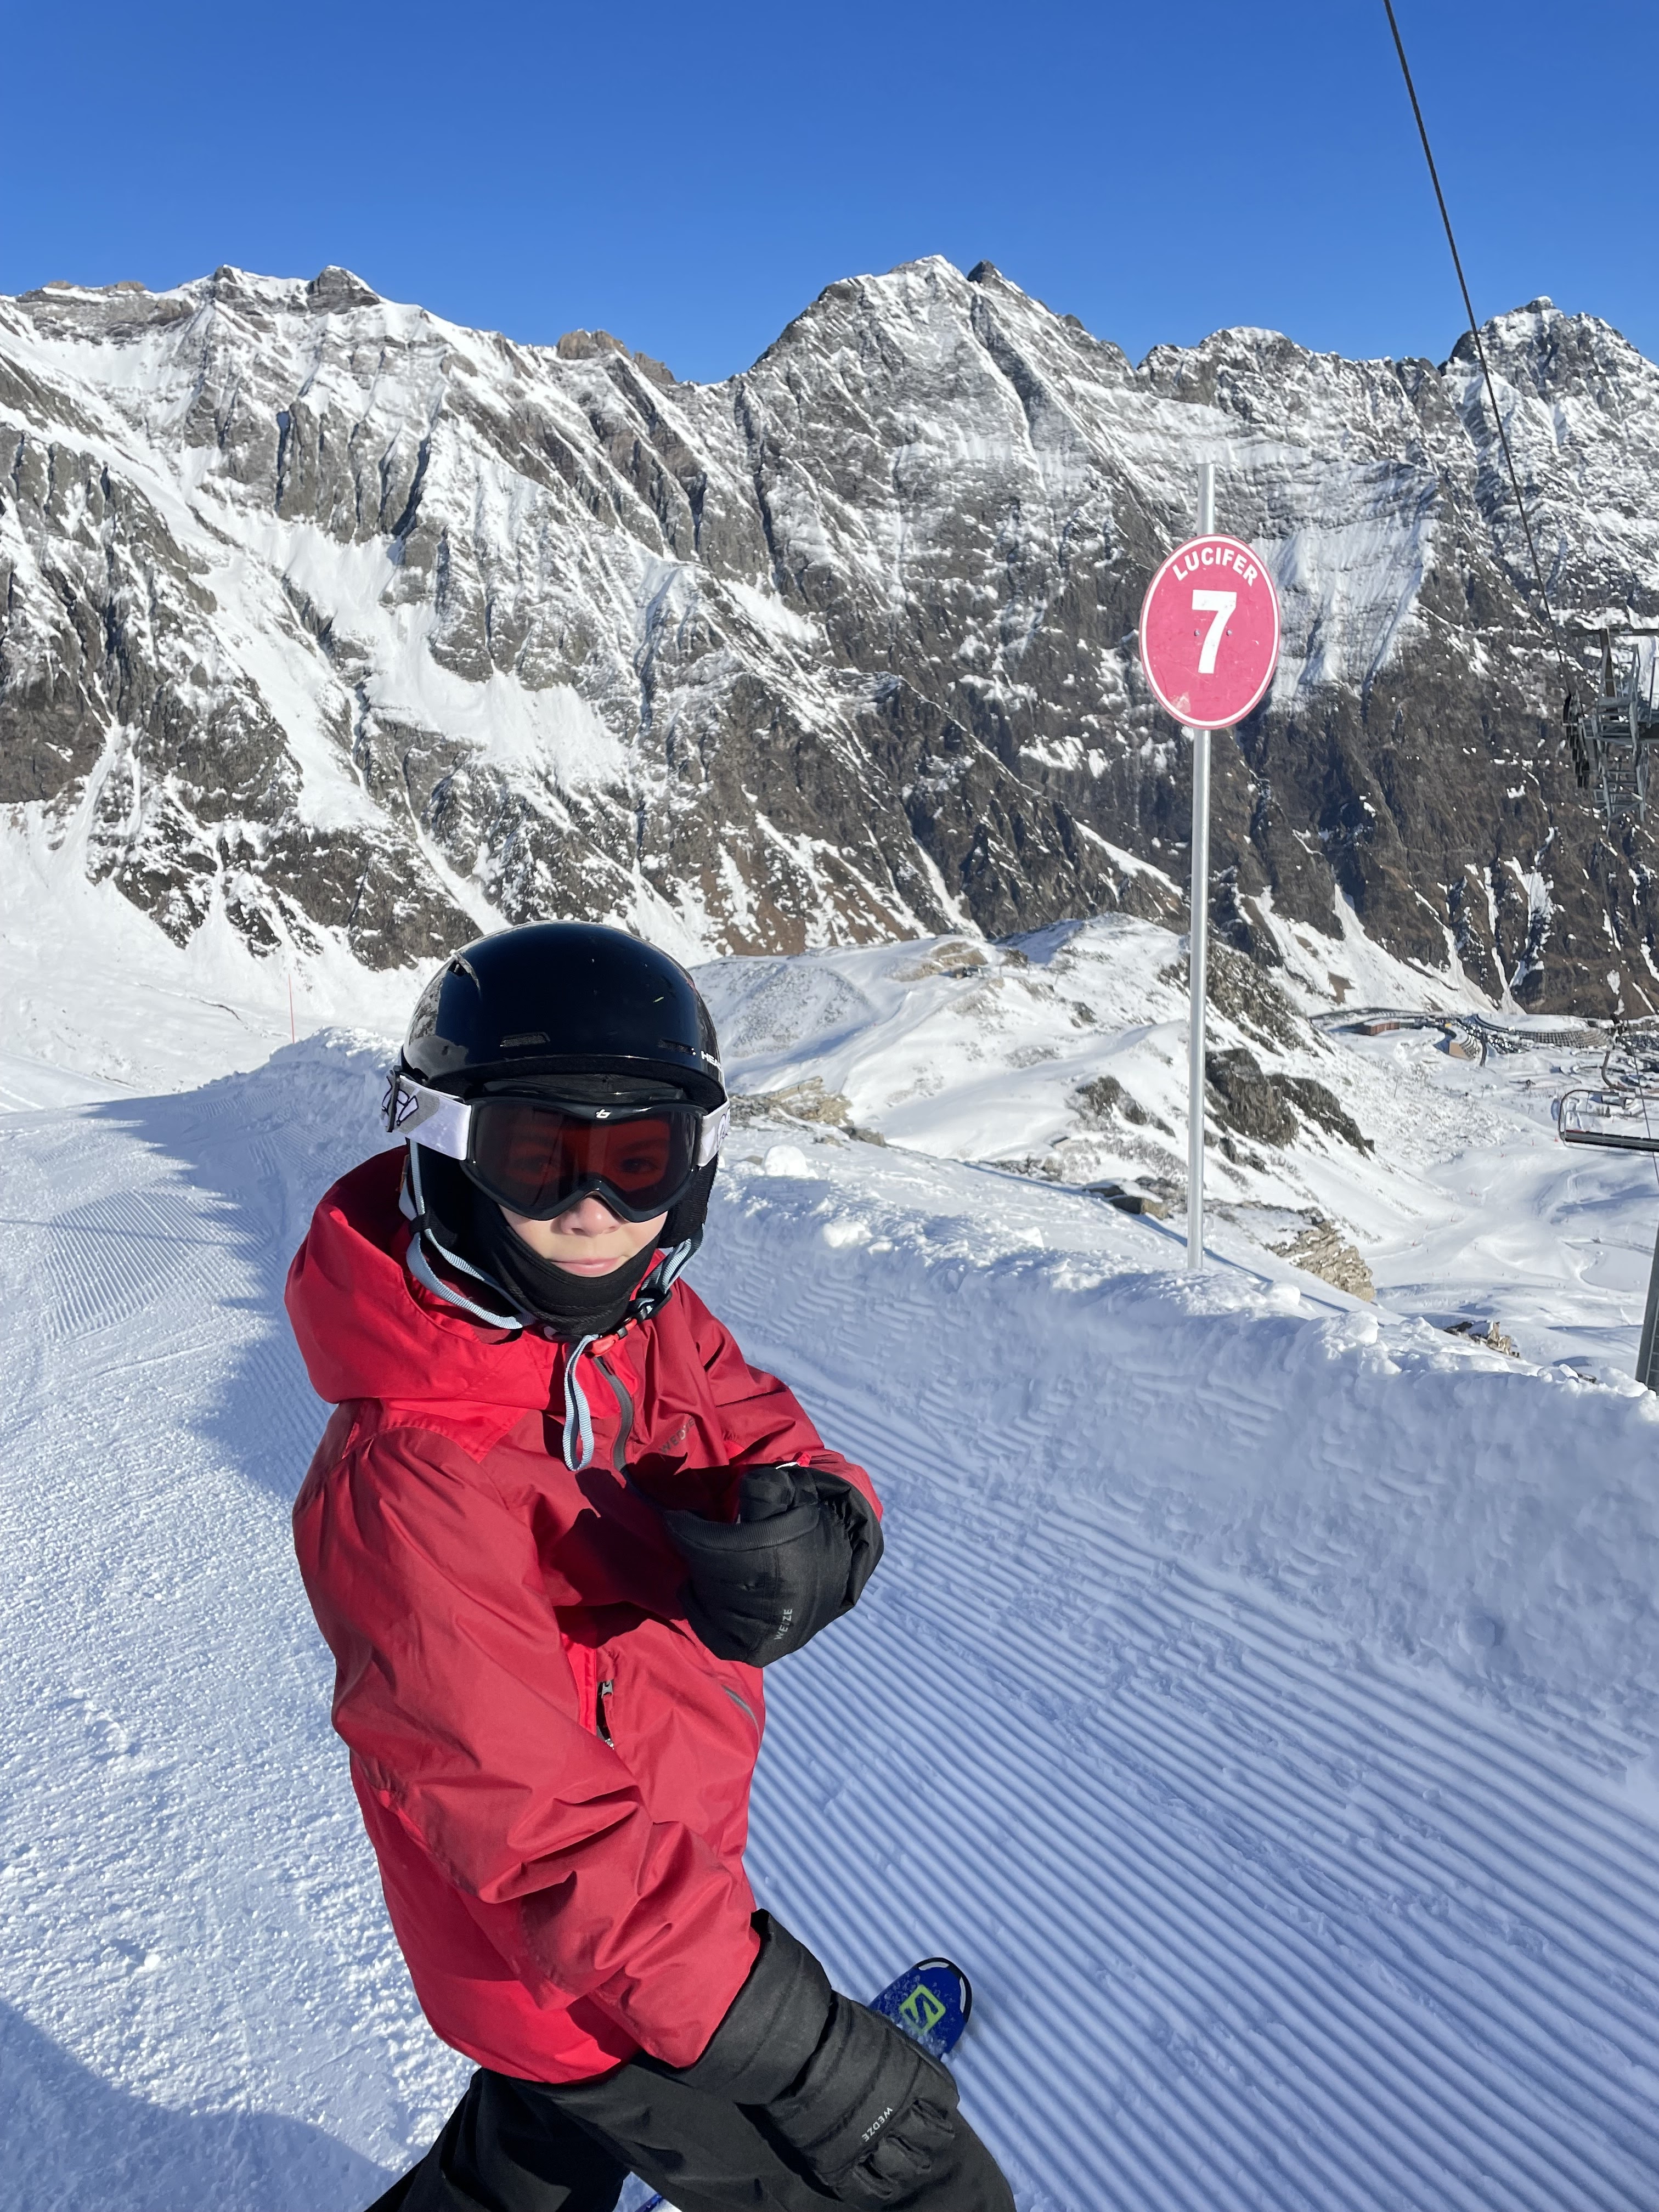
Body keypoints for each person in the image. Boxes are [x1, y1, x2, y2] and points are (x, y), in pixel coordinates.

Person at [286, 922, 1015, 2212]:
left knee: (529, 2166)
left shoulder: (631, 1316)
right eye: (537, 1156)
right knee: (923, 2189)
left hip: (628, 1927)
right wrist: (804, 2053)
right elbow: (539, 1839)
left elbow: (740, 1411)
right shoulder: (408, 1486)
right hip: (593, 1981)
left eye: (638, 1163)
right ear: (448, 1149)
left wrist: (816, 1517)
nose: (593, 1210)